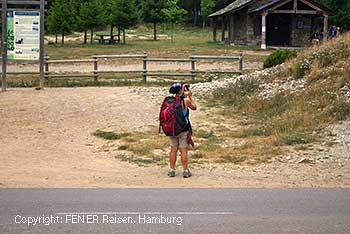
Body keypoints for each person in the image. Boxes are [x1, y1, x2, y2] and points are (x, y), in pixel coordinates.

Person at [167, 83, 197, 178]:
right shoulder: (185, 101)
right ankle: (185, 170)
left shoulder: (169, 101)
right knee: (183, 151)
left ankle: (172, 170)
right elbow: (194, 107)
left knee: (173, 150)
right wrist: (190, 97)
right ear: (181, 91)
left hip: (172, 129)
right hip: (183, 129)